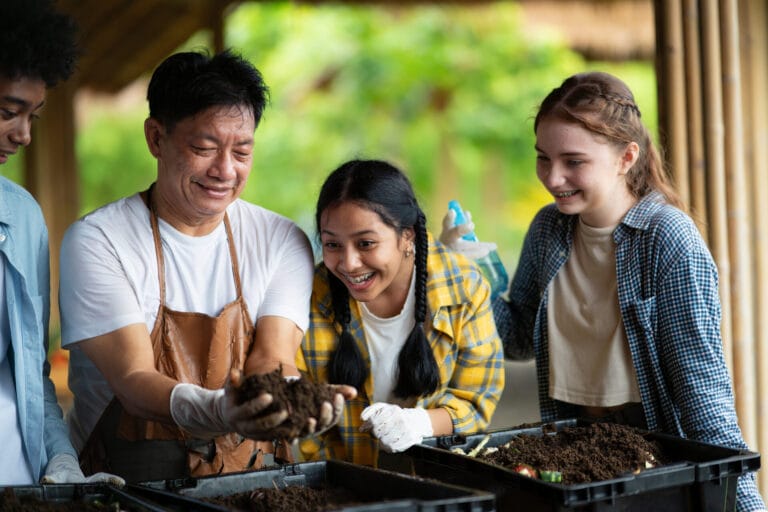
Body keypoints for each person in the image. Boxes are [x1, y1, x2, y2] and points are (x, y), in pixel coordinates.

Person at [441, 71, 765, 511]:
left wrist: (743, 501)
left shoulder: (667, 239)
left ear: (626, 157)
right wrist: (461, 277)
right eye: (543, 158)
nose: (553, 178)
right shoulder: (548, 230)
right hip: (571, 453)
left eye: (573, 161)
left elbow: (701, 389)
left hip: (651, 465)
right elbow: (516, 336)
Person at [58, 49, 350, 484]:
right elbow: (134, 380)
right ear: (156, 138)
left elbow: (272, 357)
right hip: (126, 482)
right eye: (204, 148)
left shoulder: (278, 239)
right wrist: (220, 410)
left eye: (242, 152)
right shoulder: (100, 240)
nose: (225, 171)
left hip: (246, 478)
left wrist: (297, 398)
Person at [297, 159, 505, 466]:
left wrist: (418, 423)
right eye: (332, 244)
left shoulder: (463, 287)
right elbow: (306, 415)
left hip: (440, 478)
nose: (349, 263)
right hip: (342, 483)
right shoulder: (311, 294)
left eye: (366, 243)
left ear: (407, 235)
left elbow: (477, 401)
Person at [0, 0, 122, 486]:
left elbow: (31, 371)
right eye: (8, 112)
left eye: (34, 115)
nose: (24, 134)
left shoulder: (22, 217)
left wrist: (59, 458)